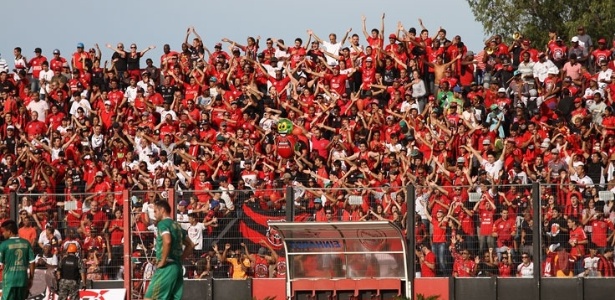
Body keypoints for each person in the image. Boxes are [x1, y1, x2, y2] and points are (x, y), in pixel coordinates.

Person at [144, 200, 194, 300]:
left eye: (155, 211)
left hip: (166, 267)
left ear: (162, 210)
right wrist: (180, 258)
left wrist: (162, 261)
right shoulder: (177, 225)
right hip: (177, 267)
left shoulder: (162, 224)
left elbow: (167, 241)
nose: (154, 214)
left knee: (149, 298)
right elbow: (191, 245)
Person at [0, 220, 36, 300]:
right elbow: (32, 262)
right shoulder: (26, 243)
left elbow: (0, 264)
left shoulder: (4, 245)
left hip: (9, 281)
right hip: (22, 280)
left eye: (4, 231)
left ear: (9, 232)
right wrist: (31, 278)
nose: (2, 233)